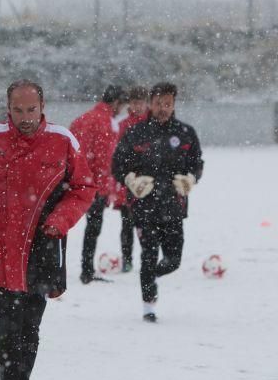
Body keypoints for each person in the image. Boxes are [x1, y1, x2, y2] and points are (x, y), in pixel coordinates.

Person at [0, 80, 97, 380]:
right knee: (6, 331)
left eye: (31, 110)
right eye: (18, 110)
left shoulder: (62, 141)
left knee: (30, 331)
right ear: (7, 108)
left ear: (43, 107)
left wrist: (58, 221)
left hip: (42, 251)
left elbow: (84, 188)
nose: (25, 118)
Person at [111, 82, 204, 323]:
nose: (163, 108)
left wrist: (191, 178)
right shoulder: (136, 134)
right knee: (148, 255)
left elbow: (197, 163)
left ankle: (150, 275)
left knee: (173, 260)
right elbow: (118, 165)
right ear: (151, 104)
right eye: (159, 103)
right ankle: (148, 306)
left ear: (173, 105)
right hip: (144, 207)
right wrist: (131, 180)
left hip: (174, 207)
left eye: (168, 104)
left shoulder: (185, 133)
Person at [68, 85, 128, 283]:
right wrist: (104, 189)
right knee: (93, 228)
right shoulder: (106, 122)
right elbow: (104, 160)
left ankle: (60, 268)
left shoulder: (82, 118)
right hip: (93, 184)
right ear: (116, 102)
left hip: (74, 180)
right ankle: (87, 270)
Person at [112, 85, 149, 272]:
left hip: (149, 182)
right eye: (134, 102)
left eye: (141, 102)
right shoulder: (123, 125)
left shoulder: (153, 123)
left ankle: (148, 258)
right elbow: (117, 156)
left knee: (147, 224)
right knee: (127, 223)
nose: (137, 106)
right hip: (129, 182)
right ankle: (127, 259)